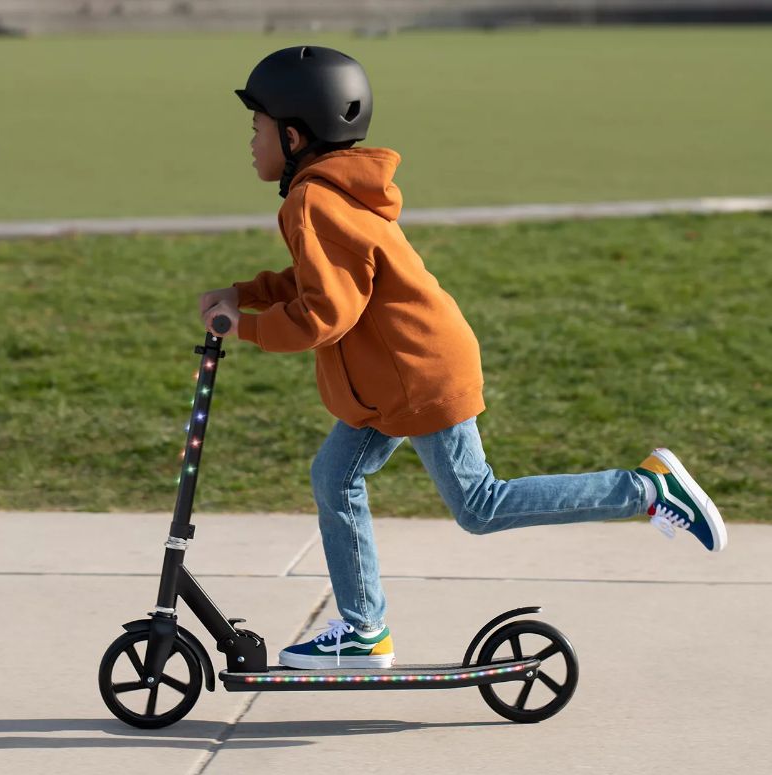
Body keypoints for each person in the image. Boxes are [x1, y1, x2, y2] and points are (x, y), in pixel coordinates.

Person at [199, 46, 727, 671]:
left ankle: (645, 489)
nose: (250, 141)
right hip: (390, 384)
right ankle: (364, 630)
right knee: (333, 478)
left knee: (480, 505)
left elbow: (325, 315)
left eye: (256, 128)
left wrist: (249, 328)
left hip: (417, 377)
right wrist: (249, 293)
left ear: (293, 135)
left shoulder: (312, 202)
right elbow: (322, 278)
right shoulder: (329, 195)